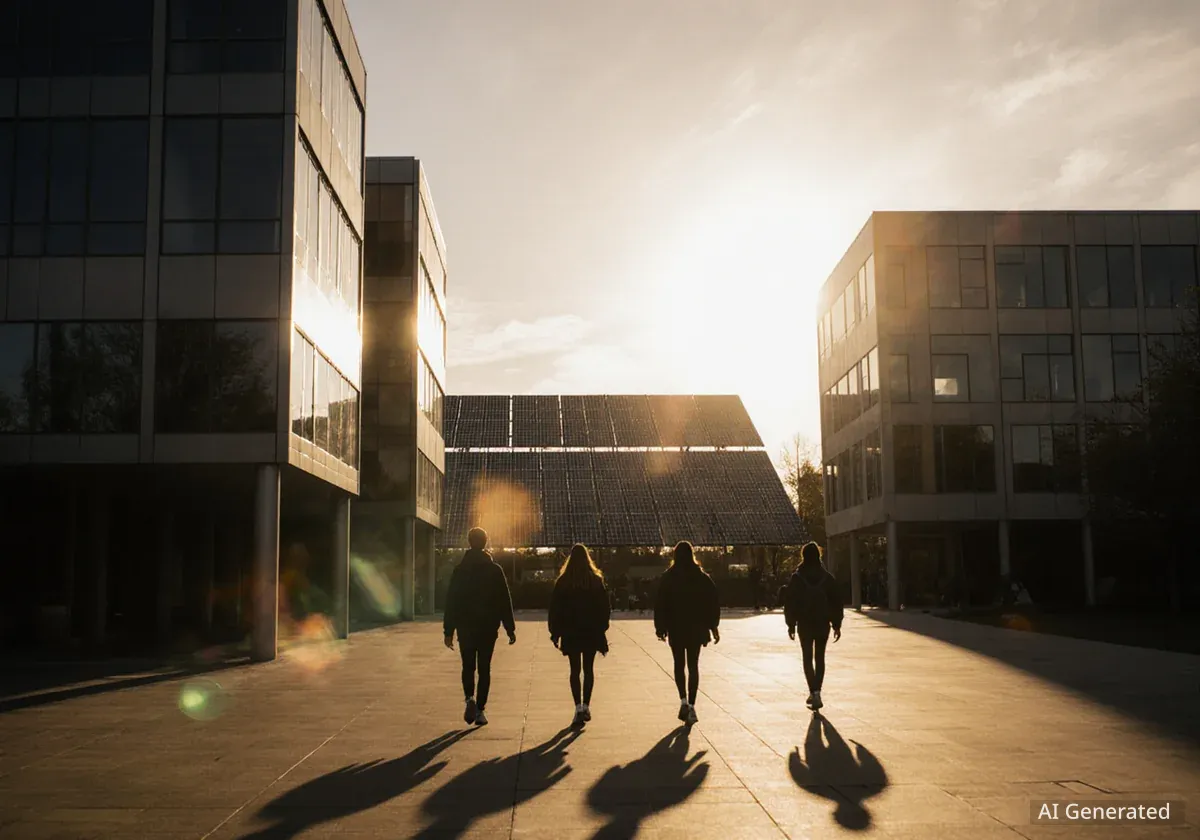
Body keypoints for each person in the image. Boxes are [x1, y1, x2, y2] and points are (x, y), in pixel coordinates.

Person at [443, 527, 516, 727]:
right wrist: (510, 628)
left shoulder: (460, 570)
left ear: (469, 542)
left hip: (466, 626)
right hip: (487, 627)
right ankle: (481, 710)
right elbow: (504, 600)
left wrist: (448, 631)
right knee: (484, 668)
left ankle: (469, 699)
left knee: (468, 665)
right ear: (486, 542)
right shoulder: (494, 570)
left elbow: (452, 601)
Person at [654, 541, 720, 725]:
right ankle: (692, 705)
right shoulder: (701, 577)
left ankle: (682, 700)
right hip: (696, 628)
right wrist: (713, 626)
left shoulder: (669, 577)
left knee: (678, 664)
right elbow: (713, 601)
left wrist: (660, 627)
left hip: (676, 627)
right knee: (693, 665)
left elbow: (661, 603)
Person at [548, 544, 611, 727]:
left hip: (571, 632)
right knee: (589, 669)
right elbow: (604, 608)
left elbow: (555, 609)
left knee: (574, 670)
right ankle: (586, 705)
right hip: (590, 631)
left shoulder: (564, 581)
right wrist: (602, 628)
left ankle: (577, 707)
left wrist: (555, 632)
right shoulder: (595, 581)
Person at [784, 542, 843, 712]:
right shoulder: (827, 578)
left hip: (805, 623)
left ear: (803, 556)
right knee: (820, 657)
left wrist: (791, 624)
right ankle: (818, 691)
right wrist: (837, 624)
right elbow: (836, 602)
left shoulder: (797, 578)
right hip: (822, 623)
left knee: (807, 658)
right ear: (819, 556)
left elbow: (790, 602)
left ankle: (813, 691)